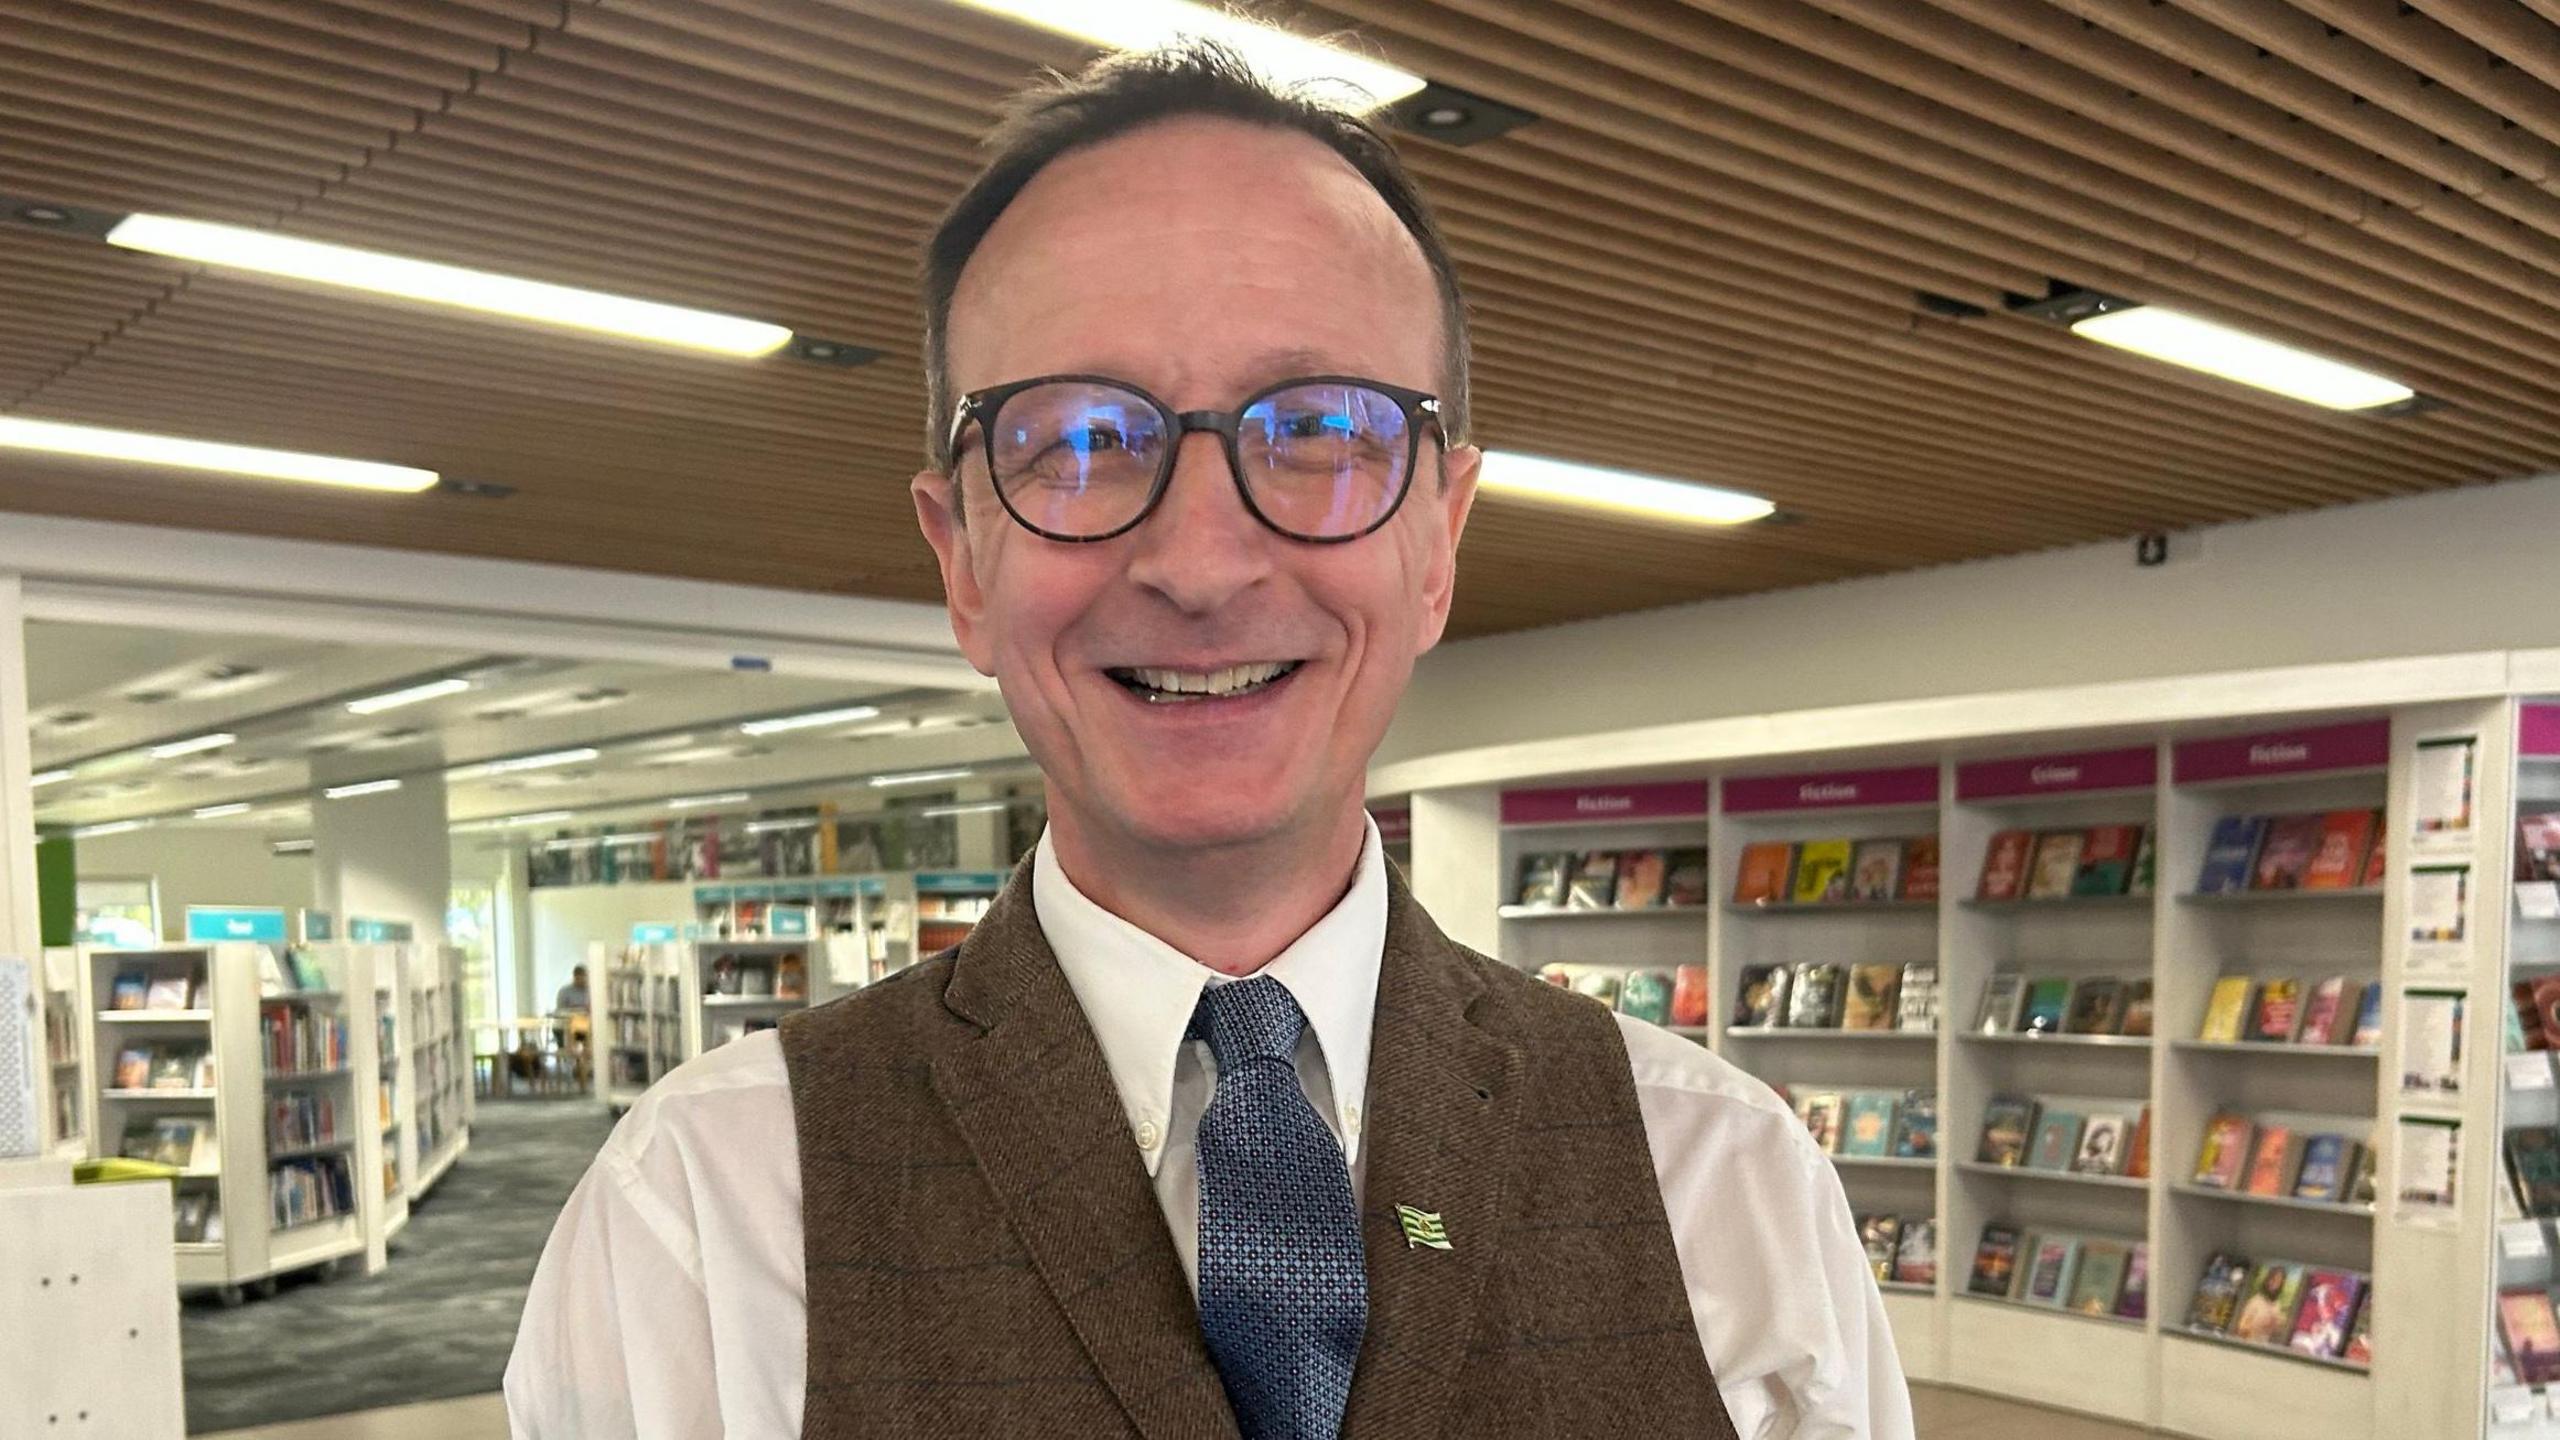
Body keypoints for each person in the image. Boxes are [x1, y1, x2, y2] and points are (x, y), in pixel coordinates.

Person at [506, 41, 1911, 1440]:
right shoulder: (703, 1211)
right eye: (1078, 440)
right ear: (964, 564)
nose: (1198, 558)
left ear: (1439, 542)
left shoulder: (1729, 1185)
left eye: (1318, 427)